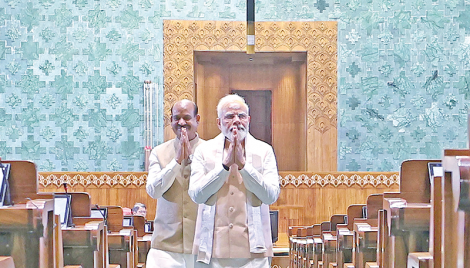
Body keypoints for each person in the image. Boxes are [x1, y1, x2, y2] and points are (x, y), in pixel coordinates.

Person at [188, 94, 280, 268]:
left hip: (255, 254)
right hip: (212, 252)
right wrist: (224, 166)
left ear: (249, 120)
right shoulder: (203, 151)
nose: (236, 121)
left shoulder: (264, 151)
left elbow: (270, 196)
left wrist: (244, 167)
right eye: (229, 116)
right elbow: (197, 195)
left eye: (241, 116)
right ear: (219, 122)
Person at [146, 99, 204, 268]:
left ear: (197, 119)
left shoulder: (210, 152)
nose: (181, 123)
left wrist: (192, 159)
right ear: (170, 121)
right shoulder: (159, 152)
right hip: (165, 248)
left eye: (186, 117)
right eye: (176, 118)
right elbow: (153, 191)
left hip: (201, 246)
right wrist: (176, 161)